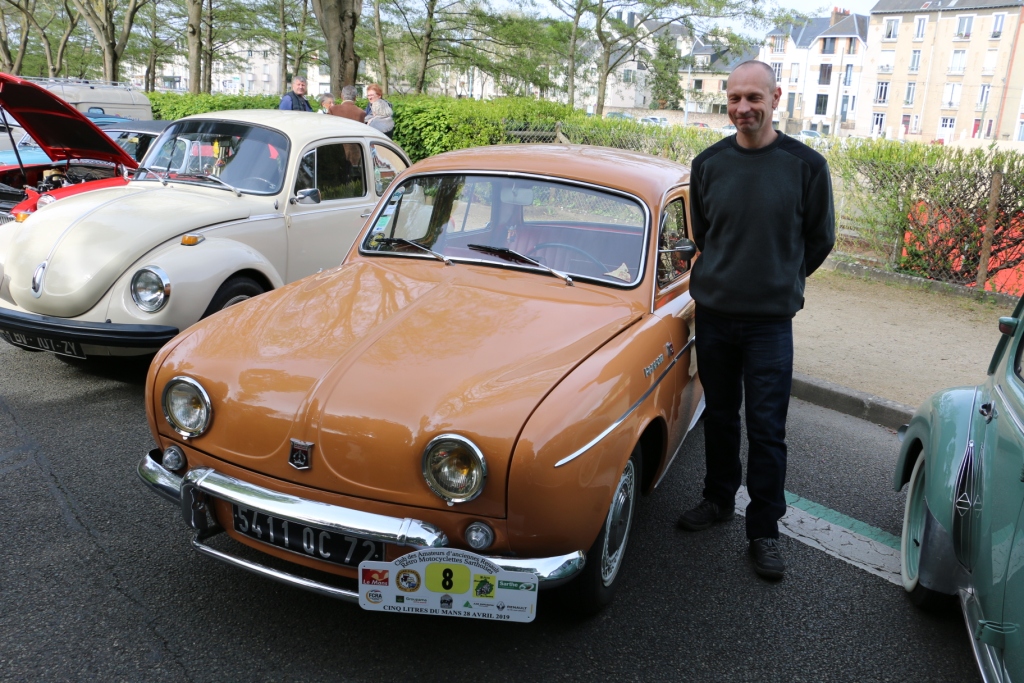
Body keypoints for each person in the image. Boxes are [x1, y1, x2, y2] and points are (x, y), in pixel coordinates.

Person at [676, 60, 835, 580]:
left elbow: (819, 238)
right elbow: (704, 234)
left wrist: (781, 278)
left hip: (770, 324)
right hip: (716, 317)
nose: (743, 108)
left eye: (754, 98)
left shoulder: (805, 165)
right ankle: (719, 499)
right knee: (719, 417)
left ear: (776, 97)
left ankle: (763, 529)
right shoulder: (708, 164)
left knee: (767, 429)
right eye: (734, 99)